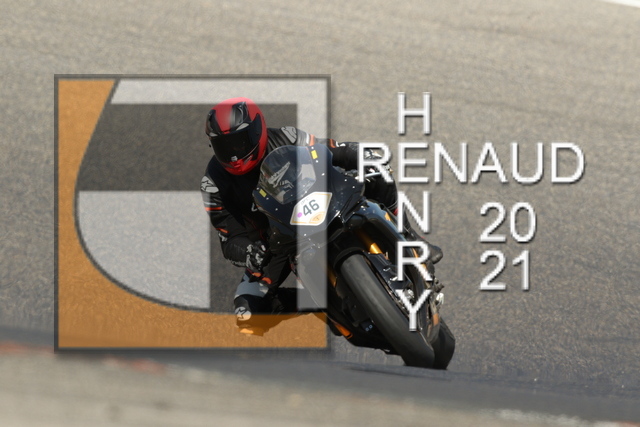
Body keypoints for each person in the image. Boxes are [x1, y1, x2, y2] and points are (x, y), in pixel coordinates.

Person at [200, 97, 439, 334]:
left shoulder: (287, 137)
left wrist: (361, 154)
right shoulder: (212, 184)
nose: (234, 155)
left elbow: (330, 150)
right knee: (247, 315)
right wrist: (249, 252)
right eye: (225, 147)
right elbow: (229, 240)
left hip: (322, 204)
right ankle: (320, 306)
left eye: (239, 143)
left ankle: (410, 237)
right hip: (276, 243)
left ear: (257, 129)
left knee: (378, 174)